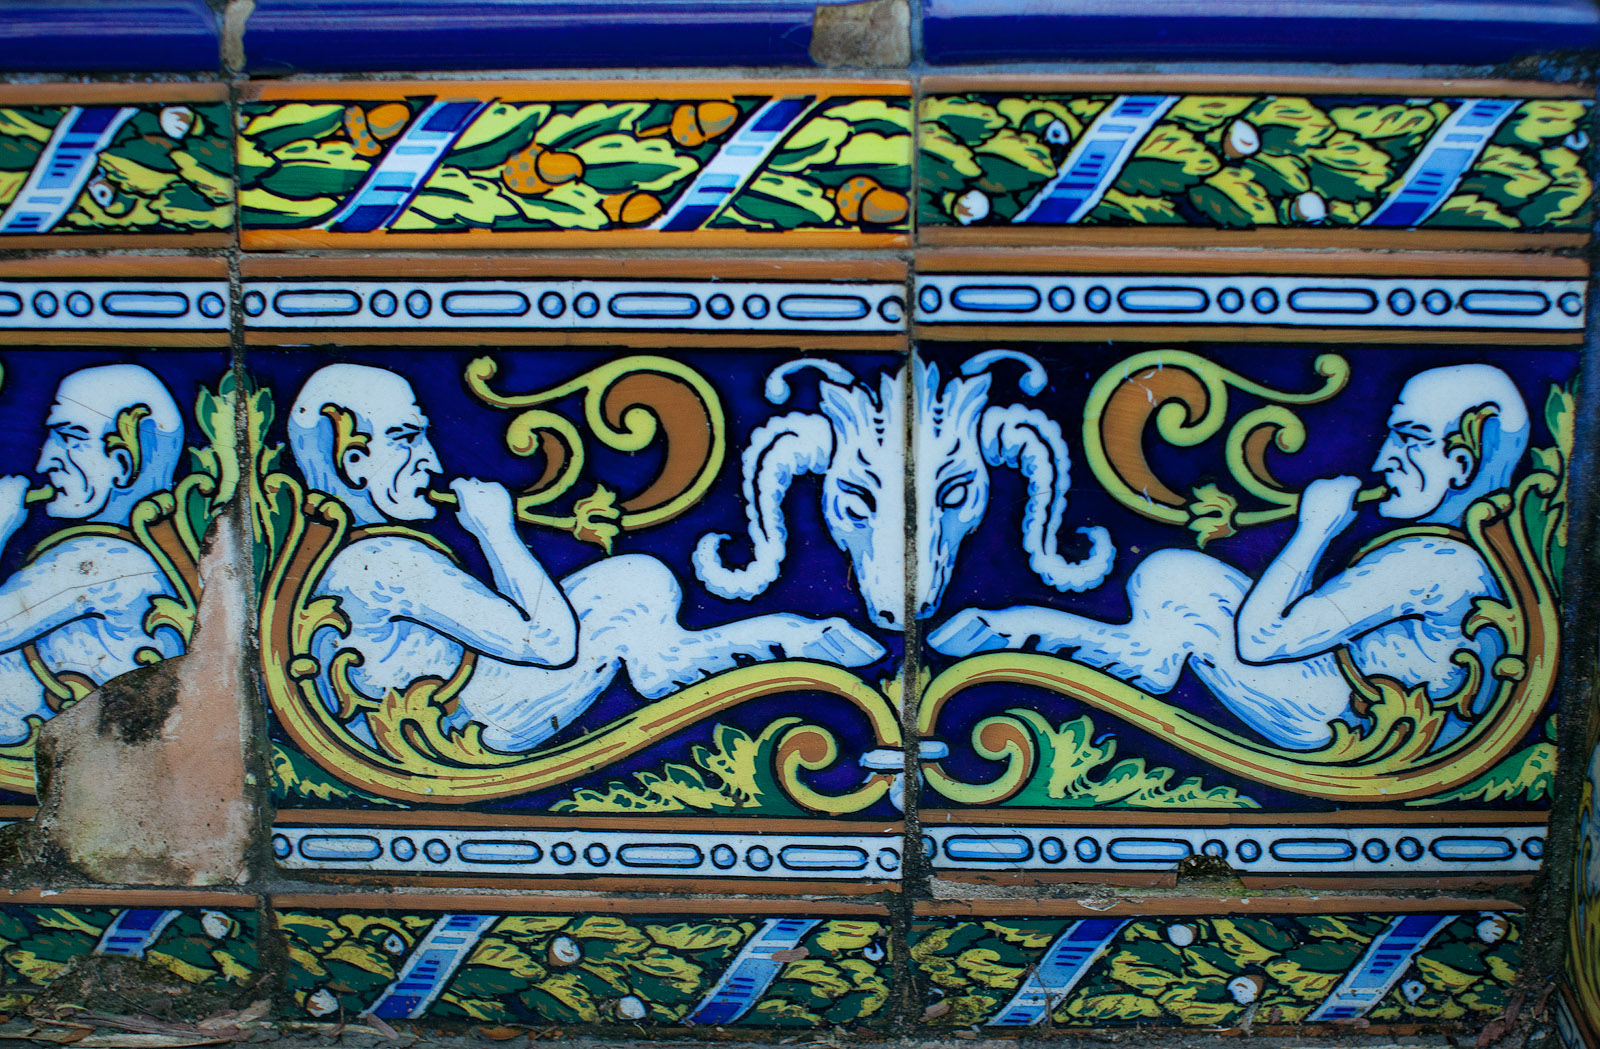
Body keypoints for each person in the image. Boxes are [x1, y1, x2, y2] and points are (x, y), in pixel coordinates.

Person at [287, 363, 884, 754]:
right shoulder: (384, 562)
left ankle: (683, 657)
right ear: (354, 462)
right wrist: (497, 531)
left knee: (637, 579)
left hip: (466, 699)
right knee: (627, 596)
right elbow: (550, 645)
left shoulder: (367, 554)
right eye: (405, 438)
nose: (432, 460)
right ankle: (782, 640)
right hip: (472, 725)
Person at [929, 364, 1529, 751]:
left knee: (1183, 590)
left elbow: (1262, 642)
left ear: (1461, 463)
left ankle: (1030, 633)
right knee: (1173, 573)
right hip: (1343, 694)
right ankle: (1124, 651)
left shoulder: (1431, 561)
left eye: (1411, 438)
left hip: (1336, 719)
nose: (1383, 459)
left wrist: (1314, 529)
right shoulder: (1445, 553)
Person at [0, 365, 187, 743]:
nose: (44, 463)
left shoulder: (100, 560)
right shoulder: (130, 556)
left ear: (125, 458)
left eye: (70, 437)